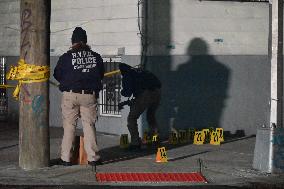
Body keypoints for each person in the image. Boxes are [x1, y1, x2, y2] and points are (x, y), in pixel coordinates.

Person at [53, 27, 105, 166]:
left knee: (69, 126)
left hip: (70, 94)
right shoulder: (95, 56)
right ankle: (93, 158)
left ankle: (66, 158)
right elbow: (101, 74)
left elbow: (57, 74)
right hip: (89, 95)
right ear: (86, 41)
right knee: (89, 125)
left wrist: (68, 80)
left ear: (73, 41)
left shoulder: (66, 57)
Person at [119, 63, 161, 150]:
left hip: (145, 94)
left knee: (131, 118)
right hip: (157, 92)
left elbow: (127, 93)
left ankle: (135, 143)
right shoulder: (140, 71)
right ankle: (155, 138)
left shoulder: (127, 75)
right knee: (151, 116)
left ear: (122, 71)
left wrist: (121, 91)